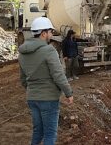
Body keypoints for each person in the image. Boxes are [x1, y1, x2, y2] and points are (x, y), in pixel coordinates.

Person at [19, 17, 73, 145]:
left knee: (38, 131)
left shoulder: (22, 53)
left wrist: (33, 90)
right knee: (50, 133)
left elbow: (23, 79)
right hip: (48, 99)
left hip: (32, 98)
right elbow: (58, 75)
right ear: (43, 33)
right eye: (50, 32)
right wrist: (68, 93)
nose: (51, 35)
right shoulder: (49, 50)